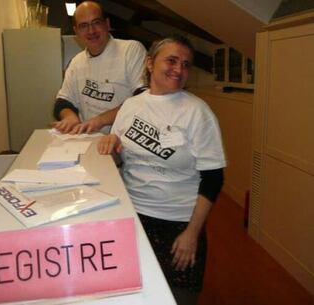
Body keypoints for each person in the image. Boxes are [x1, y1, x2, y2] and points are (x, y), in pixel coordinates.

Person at [97, 36, 226, 305]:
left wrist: (192, 234)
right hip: (132, 218)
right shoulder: (131, 106)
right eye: (171, 60)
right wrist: (113, 148)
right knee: (132, 295)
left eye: (186, 64)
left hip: (178, 224)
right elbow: (124, 163)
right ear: (150, 62)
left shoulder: (197, 112)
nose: (179, 70)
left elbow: (214, 179)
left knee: (177, 298)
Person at [52, 1, 146, 135]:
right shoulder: (76, 63)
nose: (91, 31)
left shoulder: (131, 50)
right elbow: (62, 101)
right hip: (88, 140)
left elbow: (143, 99)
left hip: (123, 143)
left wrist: (100, 120)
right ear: (76, 31)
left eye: (96, 22)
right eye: (83, 26)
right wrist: (70, 117)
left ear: (107, 24)